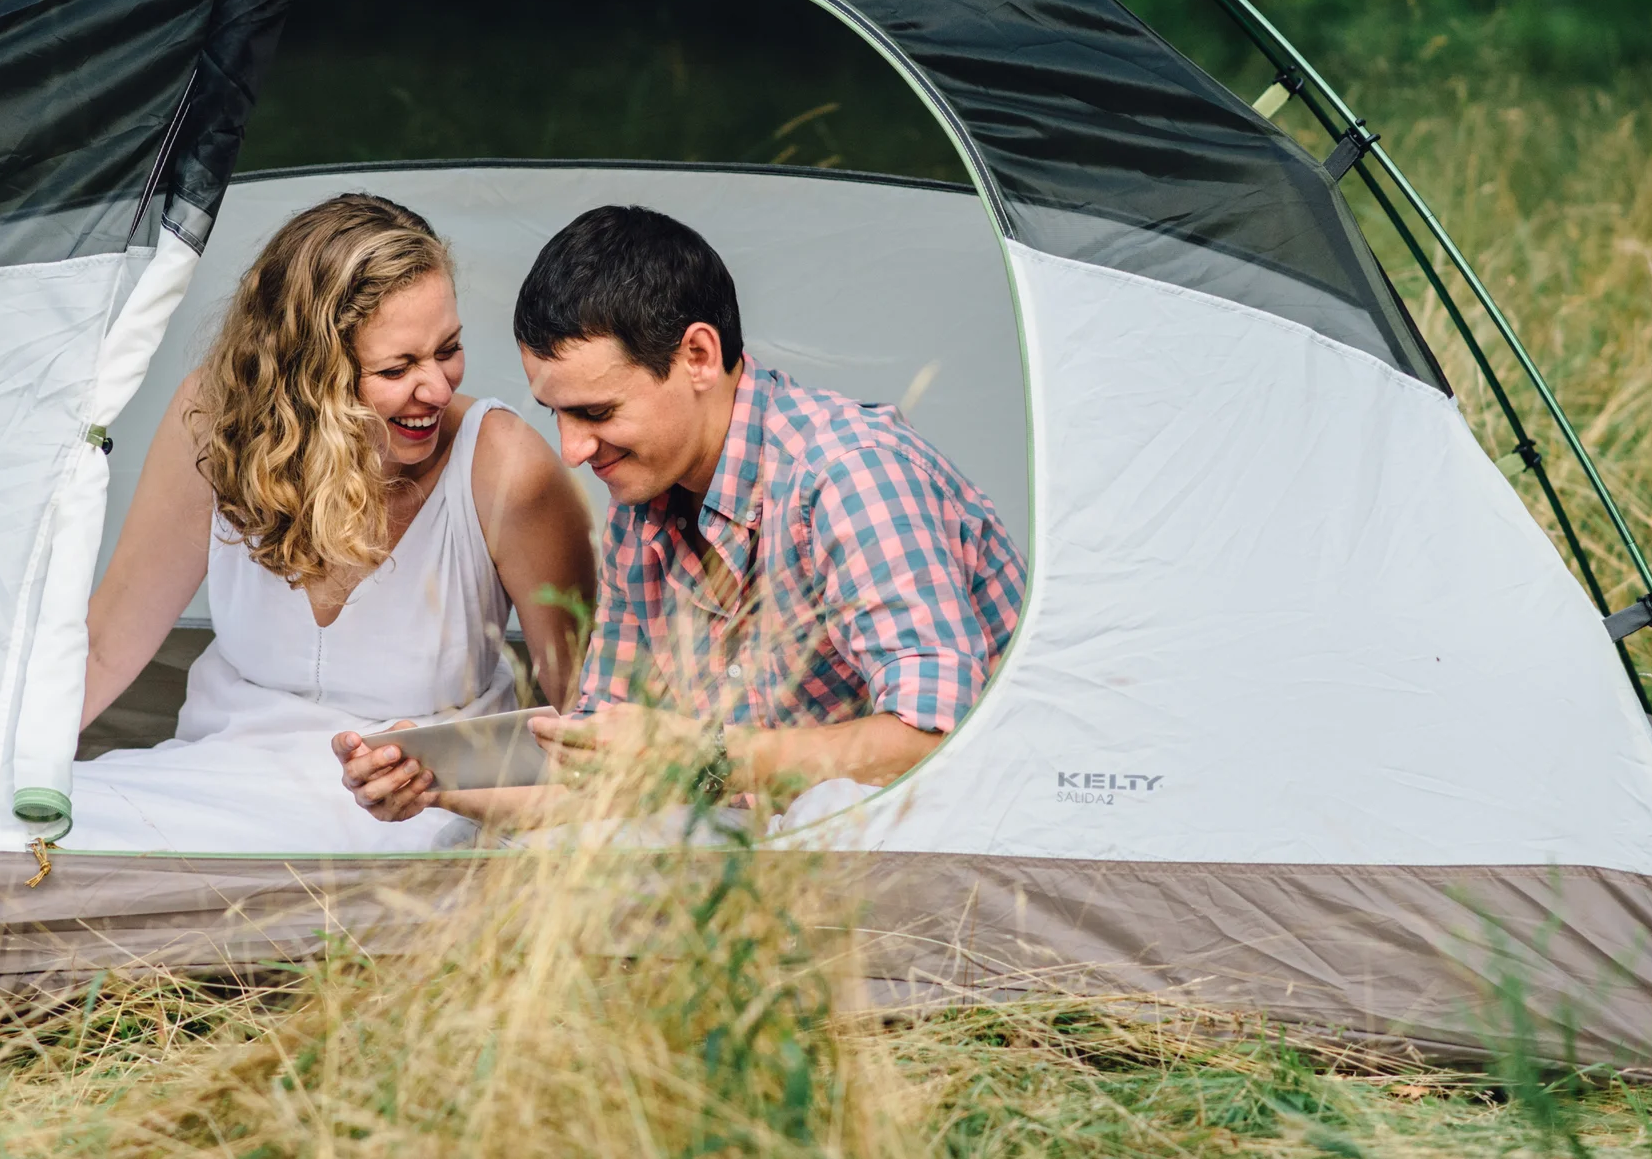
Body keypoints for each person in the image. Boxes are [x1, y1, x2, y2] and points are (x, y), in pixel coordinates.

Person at [338, 204, 1023, 831]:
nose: (572, 451)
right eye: (557, 415)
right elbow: (599, 780)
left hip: (971, 839)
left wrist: (708, 757)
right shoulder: (643, 510)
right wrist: (434, 782)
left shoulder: (849, 477)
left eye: (596, 412)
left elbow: (939, 740)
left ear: (698, 356)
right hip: (770, 852)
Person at [71, 193, 594, 852]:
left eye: (449, 349)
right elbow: (104, 646)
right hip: (214, 788)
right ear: (307, 376)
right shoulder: (216, 419)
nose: (437, 388)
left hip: (426, 811)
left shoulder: (504, 466)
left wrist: (459, 779)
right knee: (42, 828)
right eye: (397, 368)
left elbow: (588, 717)